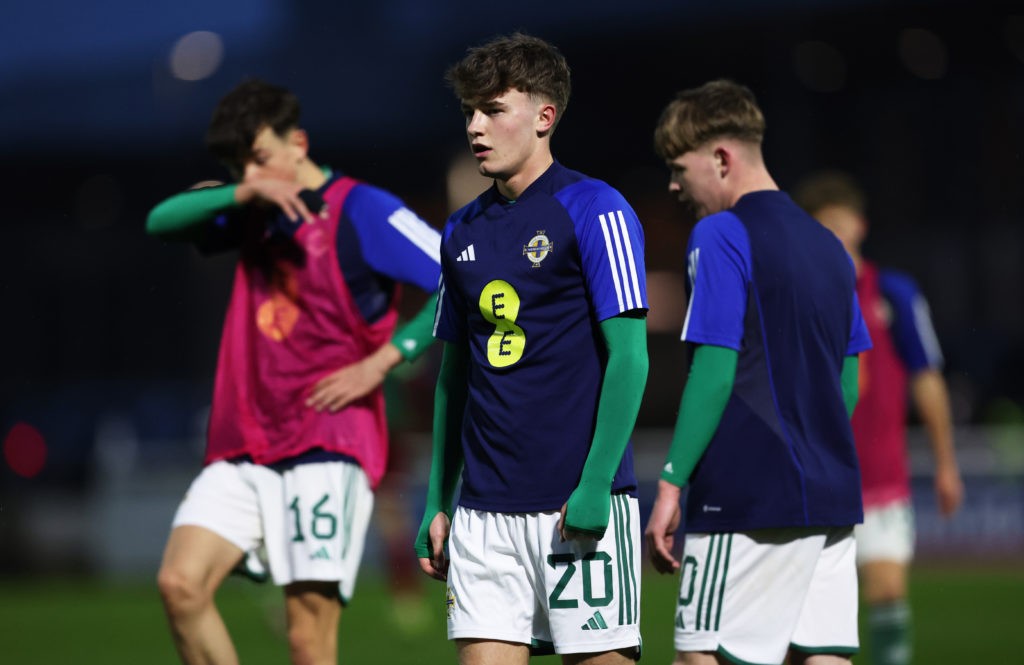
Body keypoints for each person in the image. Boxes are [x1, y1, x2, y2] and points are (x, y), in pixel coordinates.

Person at [147, 78, 442, 665]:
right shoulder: (250, 211)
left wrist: (386, 359)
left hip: (327, 443)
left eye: (257, 159)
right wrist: (239, 192)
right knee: (180, 586)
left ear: (298, 142)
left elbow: (459, 278)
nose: (248, 175)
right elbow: (161, 220)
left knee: (307, 640)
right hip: (247, 443)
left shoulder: (364, 209)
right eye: (238, 167)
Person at [414, 33, 649, 665]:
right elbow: (453, 378)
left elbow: (630, 357)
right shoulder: (460, 230)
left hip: (577, 505)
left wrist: (598, 483)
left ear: (545, 118)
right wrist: (439, 499)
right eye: (469, 112)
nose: (475, 127)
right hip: (484, 514)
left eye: (492, 110)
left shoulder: (598, 209)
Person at [643, 80, 873, 665]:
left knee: (702, 658)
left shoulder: (719, 234)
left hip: (746, 500)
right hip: (831, 497)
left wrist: (670, 483)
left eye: (678, 167)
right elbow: (845, 383)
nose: (674, 185)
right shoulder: (829, 247)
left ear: (722, 158)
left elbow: (715, 371)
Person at [793, 170, 964, 665]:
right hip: (817, 475)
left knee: (887, 591)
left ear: (860, 226)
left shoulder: (894, 293)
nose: (835, 238)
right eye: (823, 228)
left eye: (840, 227)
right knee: (804, 616)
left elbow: (927, 379)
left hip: (882, 474)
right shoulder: (799, 293)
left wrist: (947, 463)